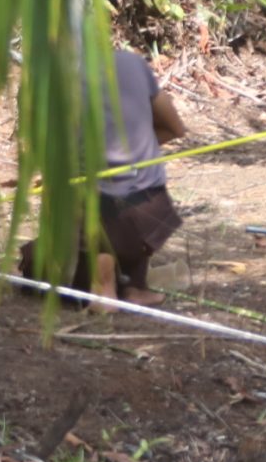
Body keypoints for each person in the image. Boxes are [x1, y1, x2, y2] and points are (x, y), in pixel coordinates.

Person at [26, 49, 185, 301]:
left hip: (95, 218)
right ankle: (135, 286)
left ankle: (105, 288)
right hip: (150, 214)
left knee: (34, 262)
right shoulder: (132, 62)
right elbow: (175, 127)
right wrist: (135, 153)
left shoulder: (48, 81)